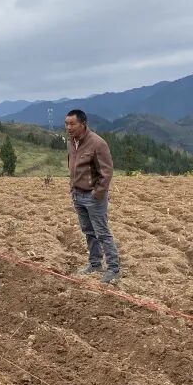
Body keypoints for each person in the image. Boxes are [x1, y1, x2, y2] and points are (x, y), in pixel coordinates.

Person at [65, 109, 121, 284]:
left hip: (93, 196)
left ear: (83, 124)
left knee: (102, 233)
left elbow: (107, 172)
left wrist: (97, 194)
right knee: (89, 232)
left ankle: (113, 268)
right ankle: (95, 263)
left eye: (72, 124)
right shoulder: (71, 142)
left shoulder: (97, 143)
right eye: (66, 124)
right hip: (77, 194)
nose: (68, 127)